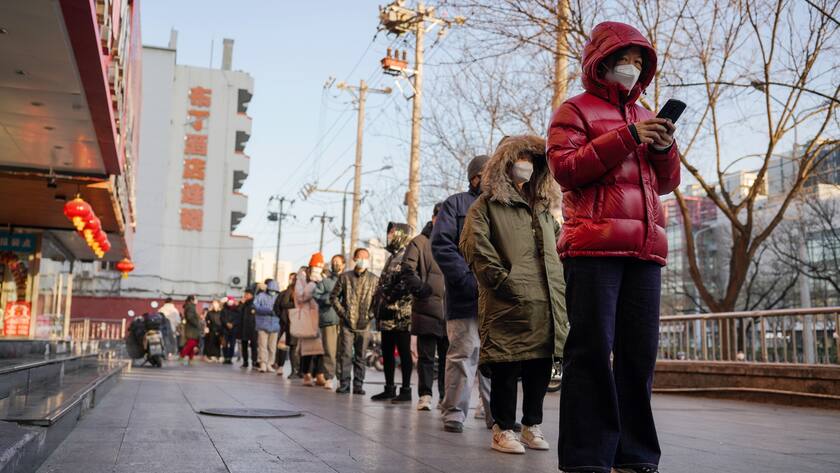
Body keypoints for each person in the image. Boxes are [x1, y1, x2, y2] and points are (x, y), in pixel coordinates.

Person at [547, 21, 679, 473]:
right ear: (601, 62)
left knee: (639, 356)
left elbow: (667, 182)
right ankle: (587, 458)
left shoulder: (646, 114)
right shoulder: (574, 110)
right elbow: (566, 169)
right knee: (590, 351)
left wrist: (663, 148)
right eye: (625, 58)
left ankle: (635, 454)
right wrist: (627, 137)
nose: (633, 67)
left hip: (645, 250)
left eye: (640, 61)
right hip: (593, 247)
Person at [460, 135, 569, 454]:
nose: (526, 165)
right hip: (506, 301)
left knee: (539, 364)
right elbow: (475, 247)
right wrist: (503, 281)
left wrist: (562, 287)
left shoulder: (544, 209)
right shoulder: (485, 206)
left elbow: (560, 247)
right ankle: (503, 428)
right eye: (520, 158)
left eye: (532, 159)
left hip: (546, 302)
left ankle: (531, 425)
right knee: (506, 365)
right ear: (504, 163)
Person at [431, 154, 495, 433]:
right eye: (490, 173)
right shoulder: (455, 204)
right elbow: (441, 244)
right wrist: (466, 279)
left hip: (496, 299)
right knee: (463, 354)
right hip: (464, 297)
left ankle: (498, 415)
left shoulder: (502, 206)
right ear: (476, 177)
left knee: (496, 358)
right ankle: (454, 412)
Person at [402, 204, 448, 411]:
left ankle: (445, 397)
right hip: (426, 307)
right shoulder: (419, 242)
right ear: (433, 217)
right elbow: (407, 270)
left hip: (450, 310)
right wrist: (421, 289)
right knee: (426, 356)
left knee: (449, 359)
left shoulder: (454, 241)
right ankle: (425, 395)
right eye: (441, 216)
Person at [371, 222, 414, 403]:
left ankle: (406, 390)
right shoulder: (392, 256)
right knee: (387, 351)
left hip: (401, 314)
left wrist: (389, 297)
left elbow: (406, 282)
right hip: (386, 314)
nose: (389, 235)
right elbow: (382, 283)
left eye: (392, 232)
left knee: (404, 352)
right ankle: (389, 388)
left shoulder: (408, 255)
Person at [330, 247, 379, 395]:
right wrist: (343, 313)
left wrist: (370, 315)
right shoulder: (345, 277)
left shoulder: (374, 279)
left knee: (361, 356)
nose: (363, 260)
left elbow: (378, 301)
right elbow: (333, 297)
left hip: (364, 325)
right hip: (347, 323)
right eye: (360, 257)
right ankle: (344, 384)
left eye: (366, 257)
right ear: (354, 259)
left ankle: (358, 385)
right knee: (345, 355)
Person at [313, 254, 344, 389]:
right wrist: (329, 298)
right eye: (333, 262)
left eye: (338, 262)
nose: (335, 264)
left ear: (343, 264)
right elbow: (316, 295)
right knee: (330, 350)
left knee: (343, 352)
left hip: (345, 320)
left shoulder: (348, 279)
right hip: (329, 319)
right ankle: (329, 377)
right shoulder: (325, 282)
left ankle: (342, 378)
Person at [296, 256, 326, 386]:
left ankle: (319, 374)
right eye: (315, 266)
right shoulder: (302, 278)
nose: (317, 269)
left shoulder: (324, 277)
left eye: (320, 266)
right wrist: (312, 284)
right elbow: (300, 297)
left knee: (321, 347)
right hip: (307, 316)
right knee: (307, 347)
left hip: (322, 316)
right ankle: (306, 374)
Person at [254, 280, 282, 373]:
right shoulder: (261, 296)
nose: (272, 291)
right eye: (271, 289)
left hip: (275, 324)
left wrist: (276, 312)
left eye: (274, 290)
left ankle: (270, 363)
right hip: (262, 324)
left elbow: (281, 308)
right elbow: (255, 306)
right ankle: (263, 363)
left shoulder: (278, 297)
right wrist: (268, 310)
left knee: (272, 346)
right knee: (262, 345)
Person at [276, 273, 300, 378]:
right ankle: (291, 369)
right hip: (290, 322)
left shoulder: (303, 290)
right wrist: (296, 304)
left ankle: (299, 370)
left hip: (301, 322)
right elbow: (282, 304)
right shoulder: (289, 290)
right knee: (291, 346)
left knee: (297, 347)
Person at [179, 295, 202, 365]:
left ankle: (190, 359)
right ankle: (182, 356)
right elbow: (190, 317)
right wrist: (197, 324)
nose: (197, 300)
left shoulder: (191, 306)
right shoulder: (190, 307)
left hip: (192, 329)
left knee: (193, 344)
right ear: (192, 300)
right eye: (196, 299)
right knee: (191, 344)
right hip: (191, 329)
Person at [239, 287, 258, 369]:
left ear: (251, 295)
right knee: (244, 345)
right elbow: (238, 312)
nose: (245, 296)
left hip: (253, 327)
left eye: (247, 294)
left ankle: (254, 361)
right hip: (244, 327)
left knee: (254, 345)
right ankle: (245, 361)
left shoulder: (255, 303)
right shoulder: (243, 304)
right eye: (245, 294)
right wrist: (241, 304)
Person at [220, 297, 239, 364]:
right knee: (224, 344)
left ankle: (230, 358)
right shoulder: (223, 309)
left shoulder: (236, 310)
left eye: (231, 301)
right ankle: (225, 357)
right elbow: (222, 318)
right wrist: (226, 323)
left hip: (233, 330)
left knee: (232, 344)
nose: (230, 302)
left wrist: (232, 324)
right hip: (225, 329)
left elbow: (238, 319)